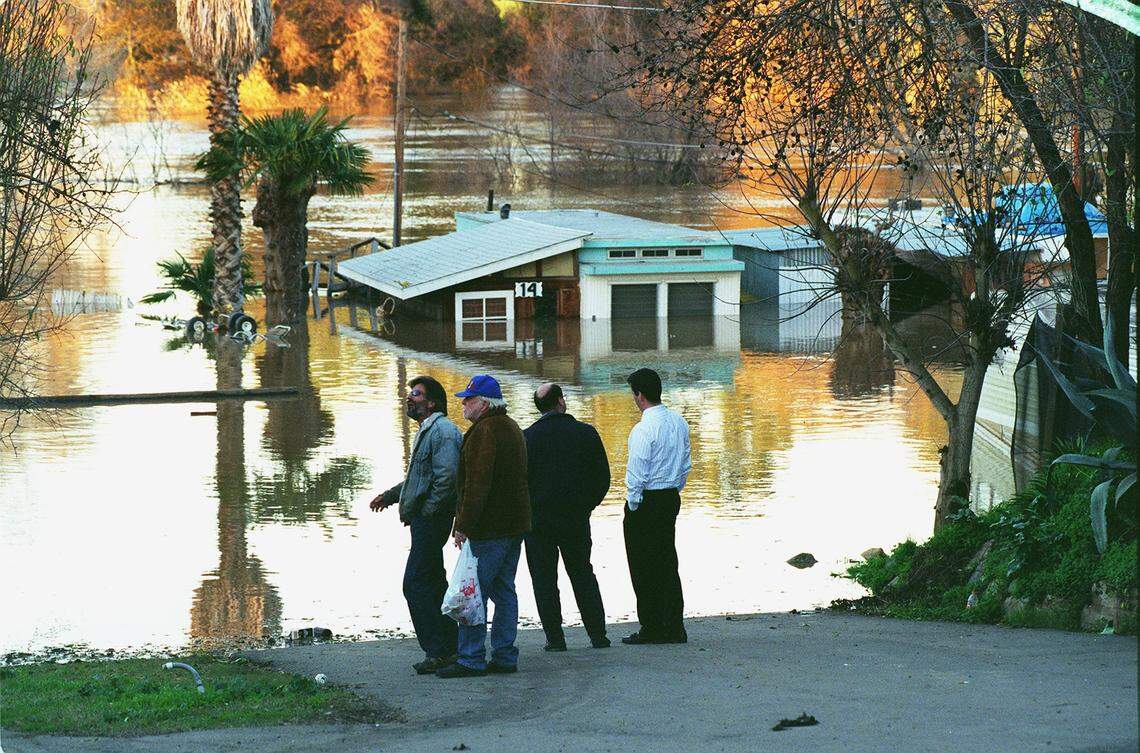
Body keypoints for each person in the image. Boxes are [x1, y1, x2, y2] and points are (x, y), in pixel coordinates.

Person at [436, 374, 531, 678]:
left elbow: (478, 484)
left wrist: (462, 524)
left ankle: (471, 658)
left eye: (469, 399)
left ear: (484, 403)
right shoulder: (512, 427)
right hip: (514, 524)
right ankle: (504, 655)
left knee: (472, 592)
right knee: (504, 591)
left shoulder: (484, 432)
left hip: (489, 528)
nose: (464, 404)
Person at [369, 375, 463, 675]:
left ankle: (438, 650)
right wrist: (392, 495)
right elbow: (419, 479)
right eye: (410, 393)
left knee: (415, 584)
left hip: (431, 521)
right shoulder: (428, 430)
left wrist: (429, 512)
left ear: (432, 402)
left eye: (417, 394)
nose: (410, 398)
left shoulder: (444, 431)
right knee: (434, 584)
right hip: (425, 520)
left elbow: (447, 479)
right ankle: (450, 648)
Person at [523, 383, 611, 651]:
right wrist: (586, 506)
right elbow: (602, 478)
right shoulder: (585, 433)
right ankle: (598, 635)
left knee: (544, 579)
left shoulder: (527, 438)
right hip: (575, 517)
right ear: (561, 401)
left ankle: (555, 638)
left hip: (538, 521)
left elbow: (519, 483)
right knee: (583, 573)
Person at [621, 367, 692, 645]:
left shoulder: (643, 429)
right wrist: (675, 487)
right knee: (667, 561)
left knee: (642, 565)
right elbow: (685, 463)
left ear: (639, 396)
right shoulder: (679, 422)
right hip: (670, 496)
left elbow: (636, 473)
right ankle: (674, 625)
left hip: (648, 499)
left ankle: (651, 626)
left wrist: (633, 503)